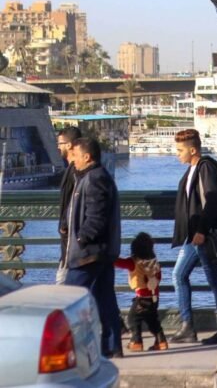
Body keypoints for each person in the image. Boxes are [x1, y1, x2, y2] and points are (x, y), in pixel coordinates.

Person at [169, 128, 217, 345]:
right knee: (187, 276)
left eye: (180, 150)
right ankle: (196, 326)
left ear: (193, 150)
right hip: (195, 236)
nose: (177, 154)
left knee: (208, 280)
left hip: (202, 236)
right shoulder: (192, 170)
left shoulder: (205, 167)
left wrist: (201, 230)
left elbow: (212, 199)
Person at [64, 137, 123, 358]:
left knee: (69, 297)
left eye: (76, 156)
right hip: (100, 251)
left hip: (89, 253)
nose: (73, 160)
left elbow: (97, 216)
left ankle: (67, 348)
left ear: (87, 157)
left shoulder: (94, 178)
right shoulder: (93, 176)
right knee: (105, 298)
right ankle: (112, 345)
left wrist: (82, 238)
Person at [115, 231, 168, 352]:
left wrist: (109, 257)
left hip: (141, 299)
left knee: (133, 319)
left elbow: (119, 263)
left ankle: (136, 341)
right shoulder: (155, 262)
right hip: (154, 297)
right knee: (153, 321)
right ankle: (161, 341)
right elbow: (159, 277)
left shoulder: (133, 262)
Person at [55, 125, 82, 285]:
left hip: (71, 242)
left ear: (69, 145)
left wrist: (64, 224)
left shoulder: (75, 172)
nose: (58, 147)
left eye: (60, 143)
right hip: (70, 241)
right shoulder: (73, 170)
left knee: (62, 285)